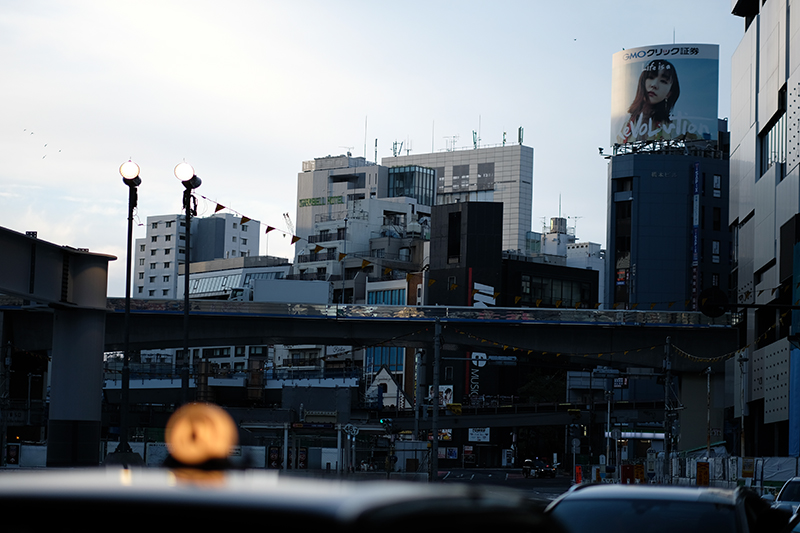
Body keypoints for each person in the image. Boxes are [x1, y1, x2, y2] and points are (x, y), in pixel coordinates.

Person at [617, 59, 681, 143]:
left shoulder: (679, 126)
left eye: (663, 81)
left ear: (669, 93)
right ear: (642, 82)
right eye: (650, 77)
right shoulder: (625, 126)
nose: (654, 85)